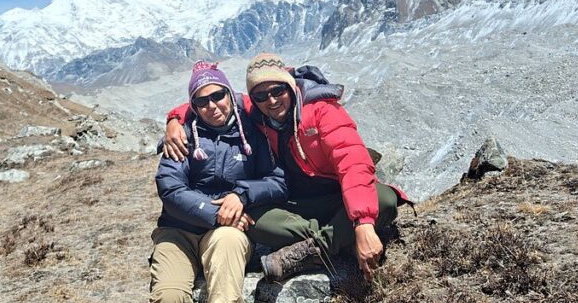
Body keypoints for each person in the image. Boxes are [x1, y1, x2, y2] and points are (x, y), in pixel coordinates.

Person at [120, 61, 287, 303]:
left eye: (218, 96)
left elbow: (277, 179)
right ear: (192, 107)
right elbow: (170, 188)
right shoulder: (182, 137)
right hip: (177, 230)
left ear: (231, 95)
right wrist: (215, 213)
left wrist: (242, 195)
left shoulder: (252, 129)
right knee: (170, 294)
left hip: (225, 229)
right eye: (202, 101)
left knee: (228, 243)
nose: (213, 106)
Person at [163, 53, 410, 284]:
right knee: (253, 219)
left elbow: (353, 163)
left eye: (277, 90)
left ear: (290, 86)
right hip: (298, 204)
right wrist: (175, 119)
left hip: (339, 198)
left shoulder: (323, 111)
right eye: (260, 96)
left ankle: (312, 250)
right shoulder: (257, 111)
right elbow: (217, 98)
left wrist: (363, 223)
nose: (270, 100)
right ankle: (339, 234)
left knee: (384, 199)